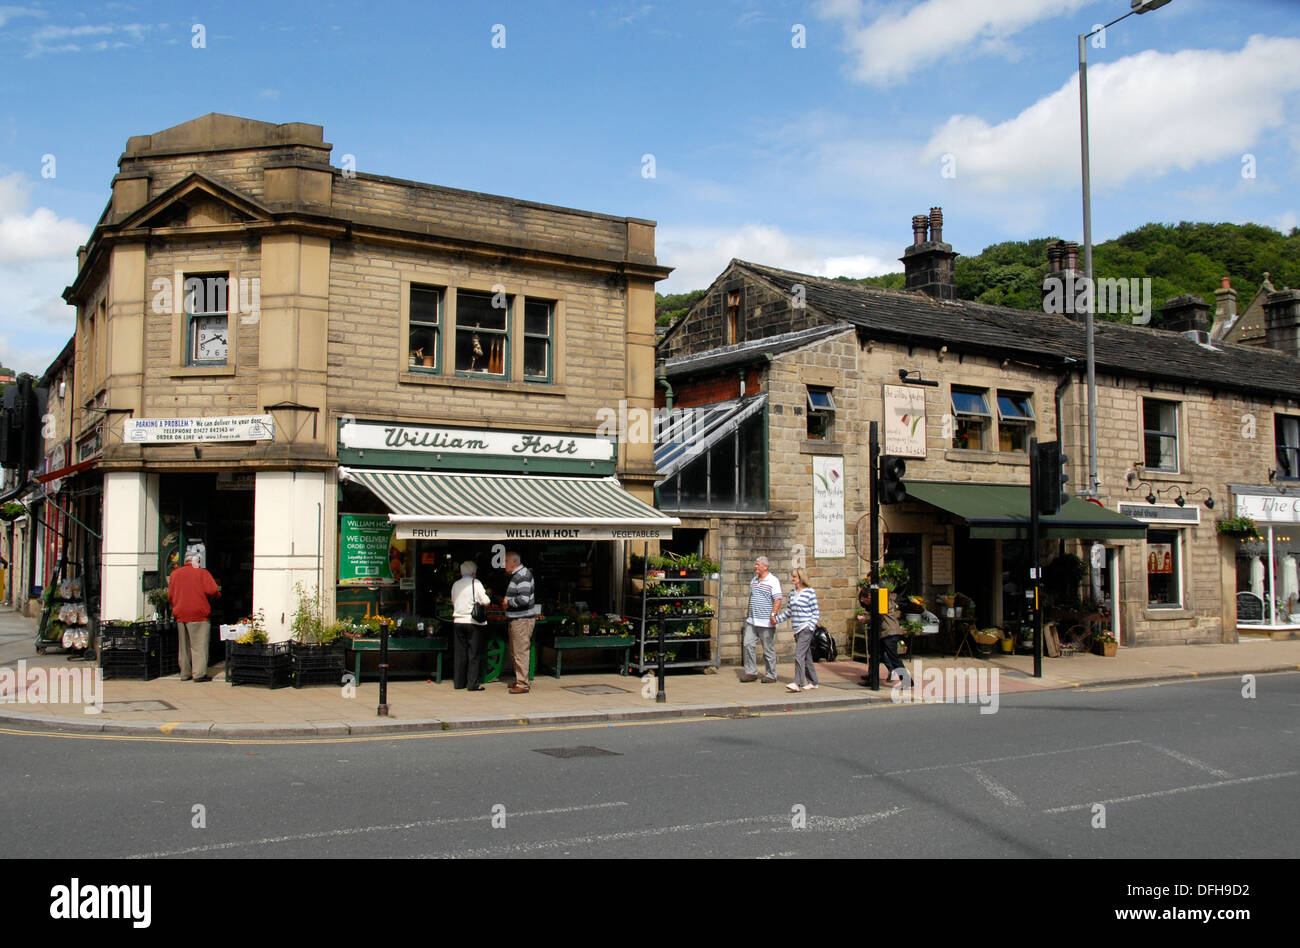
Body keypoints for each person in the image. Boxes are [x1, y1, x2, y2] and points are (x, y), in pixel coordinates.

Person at [167, 551, 220, 682]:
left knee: (183, 647)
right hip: (198, 613)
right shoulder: (202, 573)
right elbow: (213, 590)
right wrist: (215, 597)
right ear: (196, 561)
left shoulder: (175, 574)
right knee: (199, 646)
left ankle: (185, 673)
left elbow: (170, 596)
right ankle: (199, 674)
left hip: (180, 613)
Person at [499, 551, 539, 694]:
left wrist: (507, 602)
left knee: (521, 651)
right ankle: (519, 680)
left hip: (522, 620)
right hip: (517, 618)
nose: (504, 564)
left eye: (506, 561)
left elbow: (524, 599)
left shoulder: (522, 575)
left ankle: (523, 684)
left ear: (514, 562)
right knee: (516, 651)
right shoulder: (518, 575)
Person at [775, 567, 819, 692]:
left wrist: (810, 627)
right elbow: (789, 612)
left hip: (806, 628)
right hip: (797, 629)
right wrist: (776, 619)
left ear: (801, 578)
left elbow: (815, 612)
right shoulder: (792, 593)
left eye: (794, 577)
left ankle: (797, 682)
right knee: (806, 656)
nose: (792, 579)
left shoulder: (810, 592)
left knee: (799, 654)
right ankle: (813, 682)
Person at [450, 560, 491, 691]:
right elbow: (486, 601)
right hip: (472, 622)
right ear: (473, 572)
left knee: (460, 653)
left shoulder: (455, 584)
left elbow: (452, 600)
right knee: (474, 653)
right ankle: (472, 684)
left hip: (458, 621)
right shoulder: (476, 583)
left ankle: (459, 682)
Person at [741, 556, 783, 683]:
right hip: (752, 620)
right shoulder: (754, 581)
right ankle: (751, 672)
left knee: (768, 648)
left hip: (766, 621)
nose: (755, 567)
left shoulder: (773, 581)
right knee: (748, 644)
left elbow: (778, 599)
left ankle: (771, 674)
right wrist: (748, 611)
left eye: (757, 564)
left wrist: (773, 614)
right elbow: (751, 597)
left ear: (765, 566)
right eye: (755, 564)